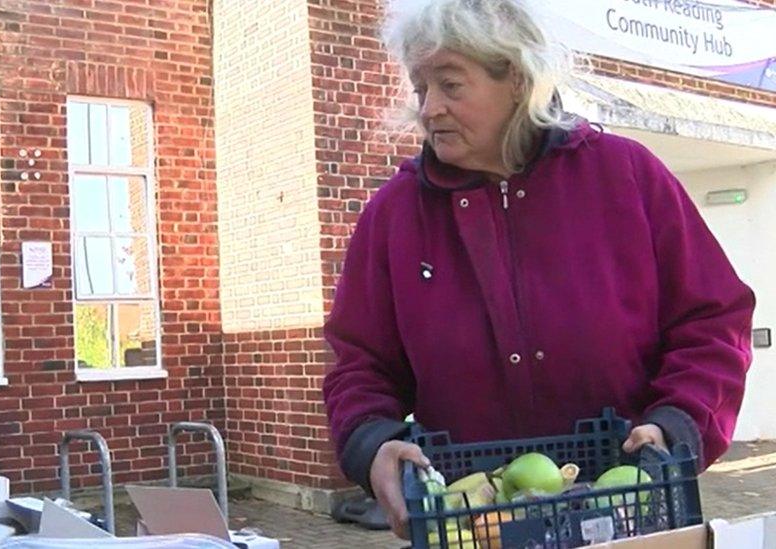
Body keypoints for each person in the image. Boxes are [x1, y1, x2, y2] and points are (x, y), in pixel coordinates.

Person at [322, 0, 755, 539]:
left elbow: (712, 323)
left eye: (451, 85)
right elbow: (361, 364)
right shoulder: (394, 214)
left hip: (628, 511)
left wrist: (677, 423)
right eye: (420, 88)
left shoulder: (626, 176)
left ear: (520, 81)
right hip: (473, 519)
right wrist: (372, 443)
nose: (429, 108)